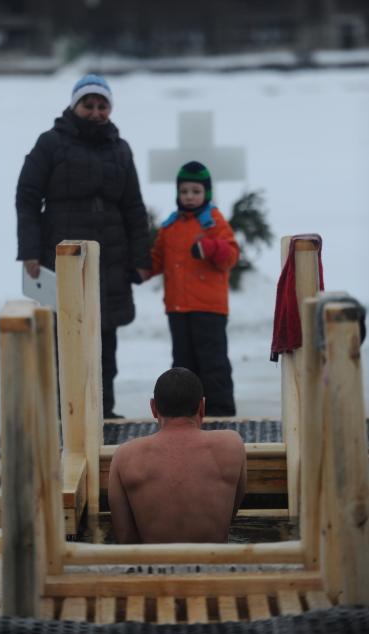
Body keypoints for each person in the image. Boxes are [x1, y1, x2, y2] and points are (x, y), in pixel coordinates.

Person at [16, 74, 151, 418]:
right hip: (61, 257)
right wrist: (30, 252)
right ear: (74, 105)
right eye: (88, 104)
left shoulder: (120, 148)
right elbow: (28, 198)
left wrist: (141, 257)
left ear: (109, 108)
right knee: (66, 338)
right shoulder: (50, 143)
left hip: (110, 257)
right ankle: (66, 413)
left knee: (105, 340)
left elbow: (133, 206)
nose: (94, 111)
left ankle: (103, 412)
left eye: (101, 105)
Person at [108, 367, 247, 543]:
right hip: (214, 566)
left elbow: (125, 539)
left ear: (153, 408)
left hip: (154, 567)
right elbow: (230, 513)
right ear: (202, 406)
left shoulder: (126, 456)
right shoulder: (231, 446)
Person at [148, 161, 239, 416]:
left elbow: (231, 255)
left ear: (206, 193)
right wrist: (138, 270)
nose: (189, 196)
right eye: (184, 191)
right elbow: (157, 258)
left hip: (209, 308)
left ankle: (221, 413)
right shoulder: (170, 226)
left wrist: (211, 247)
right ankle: (183, 416)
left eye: (196, 191)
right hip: (178, 308)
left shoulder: (215, 222)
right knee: (182, 366)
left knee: (213, 364)